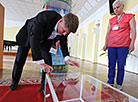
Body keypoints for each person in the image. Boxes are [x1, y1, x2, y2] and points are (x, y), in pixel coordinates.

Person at [9, 10, 80, 92]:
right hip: (28, 36)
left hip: (45, 41)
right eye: (63, 31)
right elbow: (34, 38)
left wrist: (66, 58)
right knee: (20, 60)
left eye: (67, 33)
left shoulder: (65, 27)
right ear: (60, 21)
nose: (64, 34)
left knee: (48, 63)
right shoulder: (45, 17)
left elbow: (63, 42)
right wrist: (40, 62)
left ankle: (44, 88)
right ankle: (14, 81)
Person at [103, 0, 136, 90]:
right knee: (111, 64)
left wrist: (132, 43)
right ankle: (110, 82)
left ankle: (119, 83)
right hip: (111, 45)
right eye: (114, 8)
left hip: (123, 45)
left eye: (117, 7)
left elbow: (133, 30)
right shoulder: (111, 20)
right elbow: (107, 33)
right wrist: (105, 43)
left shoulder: (129, 17)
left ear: (122, 6)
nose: (116, 10)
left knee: (121, 65)